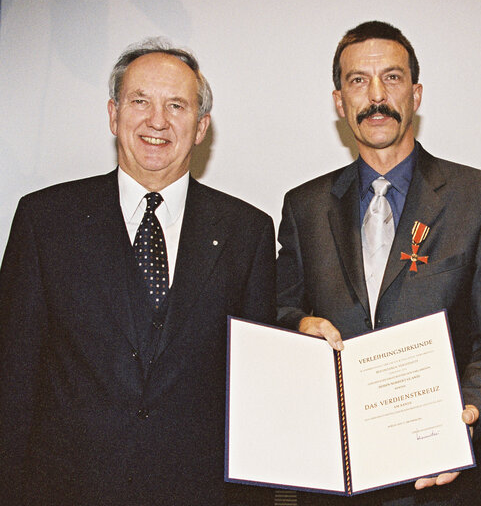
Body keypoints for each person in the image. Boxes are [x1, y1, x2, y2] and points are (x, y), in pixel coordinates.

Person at [0, 38, 275, 505]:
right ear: (113, 114)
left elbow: (256, 398)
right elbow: (13, 380)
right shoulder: (44, 220)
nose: (157, 121)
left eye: (177, 105)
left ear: (201, 125)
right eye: (140, 101)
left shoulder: (248, 232)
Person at [276, 20, 481, 504]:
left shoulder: (480, 198)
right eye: (357, 81)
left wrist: (468, 411)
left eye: (392, 77)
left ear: (416, 94)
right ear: (340, 101)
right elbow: (279, 313)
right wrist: (299, 326)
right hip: (332, 477)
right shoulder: (304, 206)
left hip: (438, 479)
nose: (376, 95)